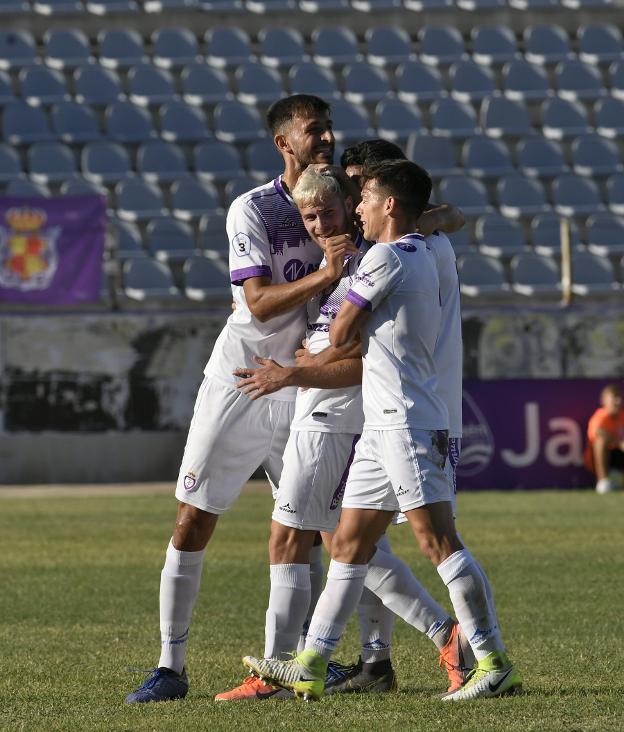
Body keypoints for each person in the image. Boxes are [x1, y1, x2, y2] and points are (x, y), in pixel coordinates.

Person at [243, 160, 521, 701]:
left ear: (389, 205)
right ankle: (312, 662)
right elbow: (444, 222)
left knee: (436, 540)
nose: (359, 208)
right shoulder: (429, 248)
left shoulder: (385, 258)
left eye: (366, 197)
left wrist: (316, 352)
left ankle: (492, 659)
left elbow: (341, 329)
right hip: (384, 422)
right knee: (348, 543)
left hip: (407, 422)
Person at [125, 94, 358, 704]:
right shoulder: (251, 209)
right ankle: (170, 666)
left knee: (315, 529)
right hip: (241, 378)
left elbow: (408, 219)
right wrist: (326, 276)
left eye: (329, 128)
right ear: (284, 143)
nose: (327, 138)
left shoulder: (343, 202)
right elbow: (254, 303)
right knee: (193, 518)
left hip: (304, 381)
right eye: (314, 131)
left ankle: (306, 661)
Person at [584, 383, 624, 493]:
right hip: (602, 457)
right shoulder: (600, 416)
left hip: (619, 456)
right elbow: (598, 433)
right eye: (614, 398)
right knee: (600, 441)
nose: (618, 401)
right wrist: (620, 443)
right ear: (603, 401)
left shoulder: (622, 416)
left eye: (620, 397)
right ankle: (603, 482)